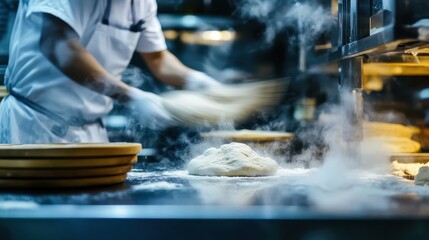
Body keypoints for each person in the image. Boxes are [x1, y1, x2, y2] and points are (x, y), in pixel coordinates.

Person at [0, 0, 221, 144]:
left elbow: (158, 59)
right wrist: (131, 96)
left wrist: (195, 81)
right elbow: (60, 46)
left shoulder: (142, 3)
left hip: (92, 132)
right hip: (33, 126)